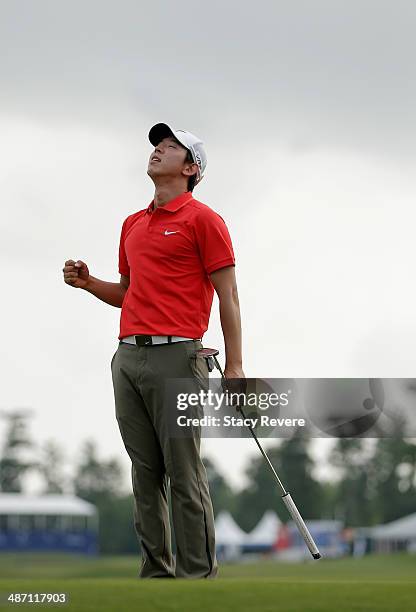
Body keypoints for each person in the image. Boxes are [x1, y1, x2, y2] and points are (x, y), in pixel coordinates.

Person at [62, 122, 244, 579]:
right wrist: (88, 284)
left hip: (178, 356)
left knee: (183, 472)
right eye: (157, 145)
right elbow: (128, 293)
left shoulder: (205, 220)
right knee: (144, 473)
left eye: (170, 147)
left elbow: (230, 298)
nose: (158, 150)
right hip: (127, 357)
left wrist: (237, 365)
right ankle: (156, 575)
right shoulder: (133, 224)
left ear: (190, 168)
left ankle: (198, 576)